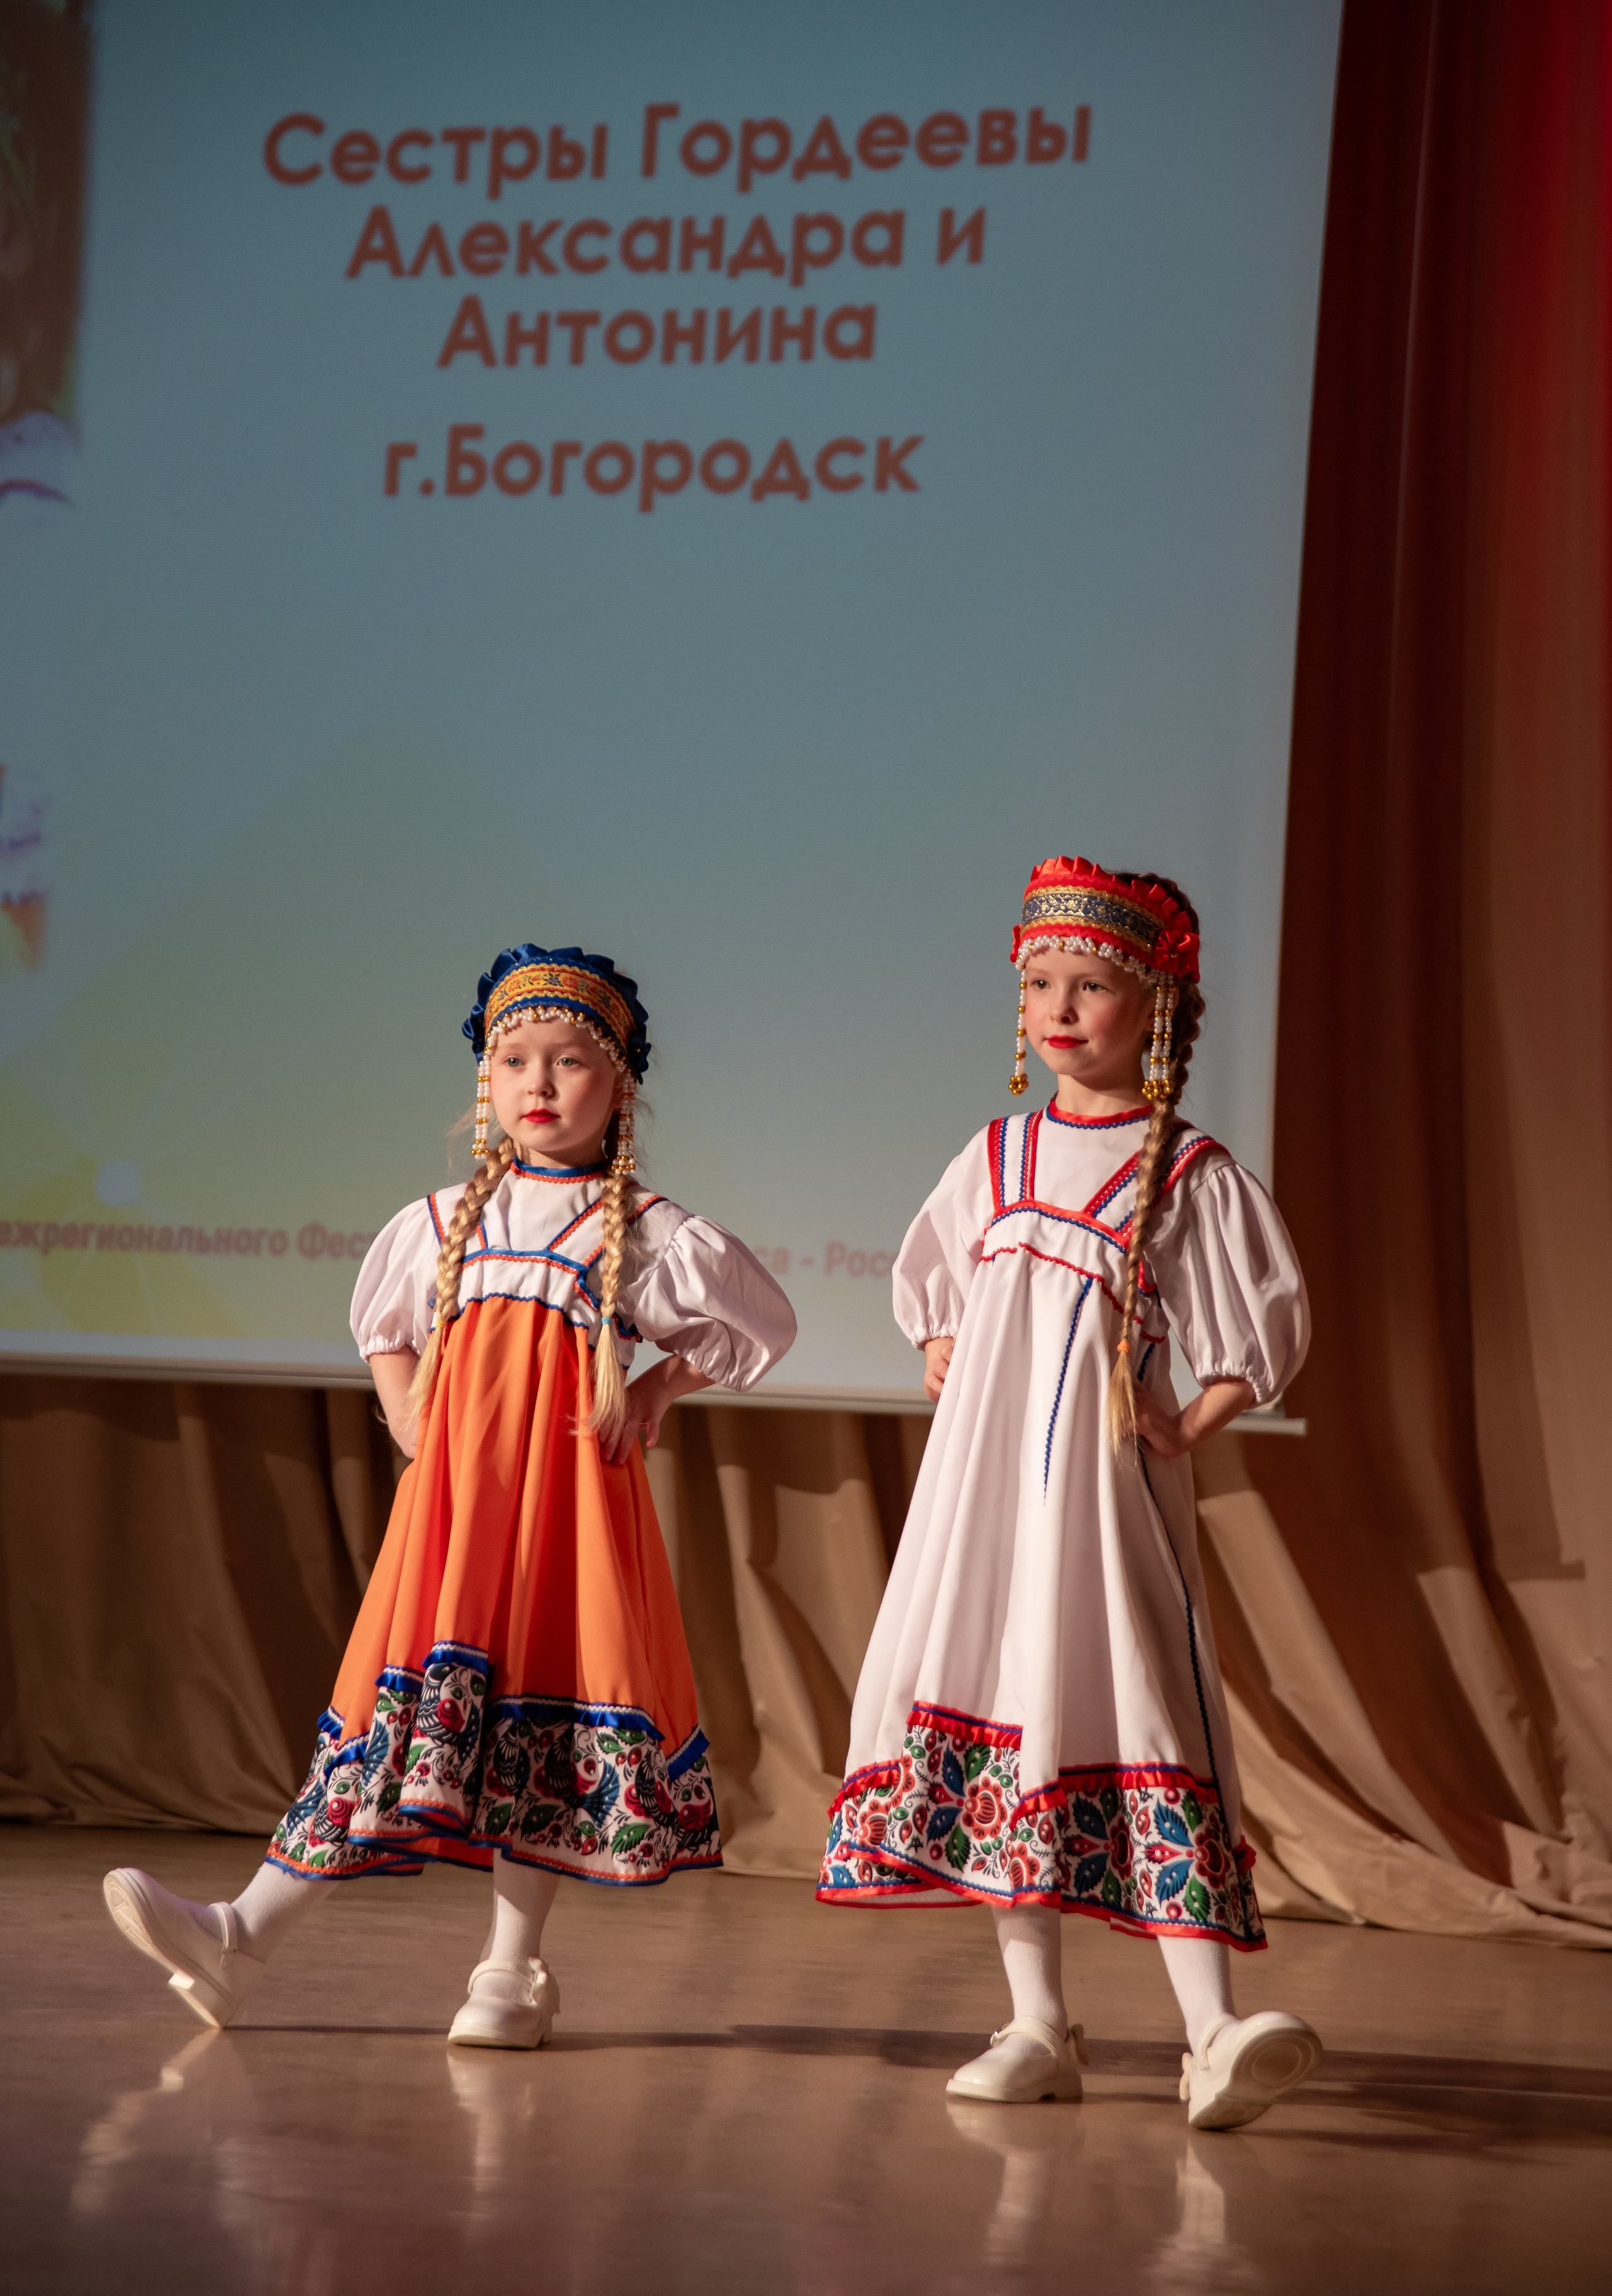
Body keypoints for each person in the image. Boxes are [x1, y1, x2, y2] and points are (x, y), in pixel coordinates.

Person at [105, 944, 796, 2047]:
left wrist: (657, 1389)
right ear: (487, 1081)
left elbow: (760, 1325)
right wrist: (408, 1408)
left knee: (541, 1723)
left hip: (565, 1523)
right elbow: (384, 1330)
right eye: (516, 1059)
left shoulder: (647, 1233)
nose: (540, 1082)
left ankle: (509, 1975)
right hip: (454, 1527)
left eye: (570, 1061)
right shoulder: (440, 1225)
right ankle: (241, 1936)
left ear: (619, 1086)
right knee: (400, 1723)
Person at [819, 857, 1322, 2130]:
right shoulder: (993, 1154)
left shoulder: (1184, 1169)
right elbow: (937, 1286)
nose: (1057, 1006)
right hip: (985, 1505)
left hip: (1095, 1509)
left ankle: (1209, 2030)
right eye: (1038, 981)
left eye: (1089, 984)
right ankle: (1036, 2020)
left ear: (1151, 1005)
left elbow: (1257, 1332)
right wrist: (943, 1340)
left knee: (1132, 1705)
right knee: (1002, 1707)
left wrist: (1183, 1421)